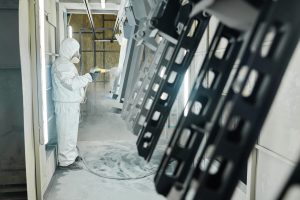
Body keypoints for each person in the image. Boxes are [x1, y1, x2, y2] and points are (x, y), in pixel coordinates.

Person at [51, 38, 98, 169]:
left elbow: (73, 80)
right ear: (69, 50)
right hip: (65, 104)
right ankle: (66, 162)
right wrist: (88, 77)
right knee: (66, 132)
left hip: (69, 103)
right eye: (76, 51)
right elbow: (71, 84)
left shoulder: (66, 64)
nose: (78, 54)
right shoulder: (62, 65)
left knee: (71, 131)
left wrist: (88, 77)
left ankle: (71, 155)